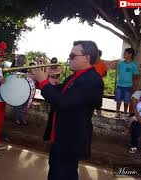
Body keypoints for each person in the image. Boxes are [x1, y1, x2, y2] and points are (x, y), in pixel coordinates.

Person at [34, 40, 104, 180]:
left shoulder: (92, 80)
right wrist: (45, 81)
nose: (69, 58)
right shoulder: (75, 77)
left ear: (87, 58)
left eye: (73, 55)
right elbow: (60, 93)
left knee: (64, 174)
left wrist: (43, 82)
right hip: (60, 136)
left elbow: (64, 103)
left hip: (71, 140)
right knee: (55, 171)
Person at [104, 48, 140, 119]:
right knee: (118, 100)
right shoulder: (121, 63)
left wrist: (131, 82)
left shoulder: (133, 65)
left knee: (126, 101)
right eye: (124, 53)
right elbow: (119, 73)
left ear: (130, 55)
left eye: (125, 53)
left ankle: (125, 114)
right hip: (119, 85)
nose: (124, 55)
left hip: (128, 86)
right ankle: (117, 113)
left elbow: (136, 75)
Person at [94, 50, 107, 115]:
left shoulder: (102, 63)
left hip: (99, 83)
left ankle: (99, 112)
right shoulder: (91, 62)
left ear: (99, 55)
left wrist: (100, 76)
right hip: (90, 83)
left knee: (98, 97)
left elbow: (105, 73)